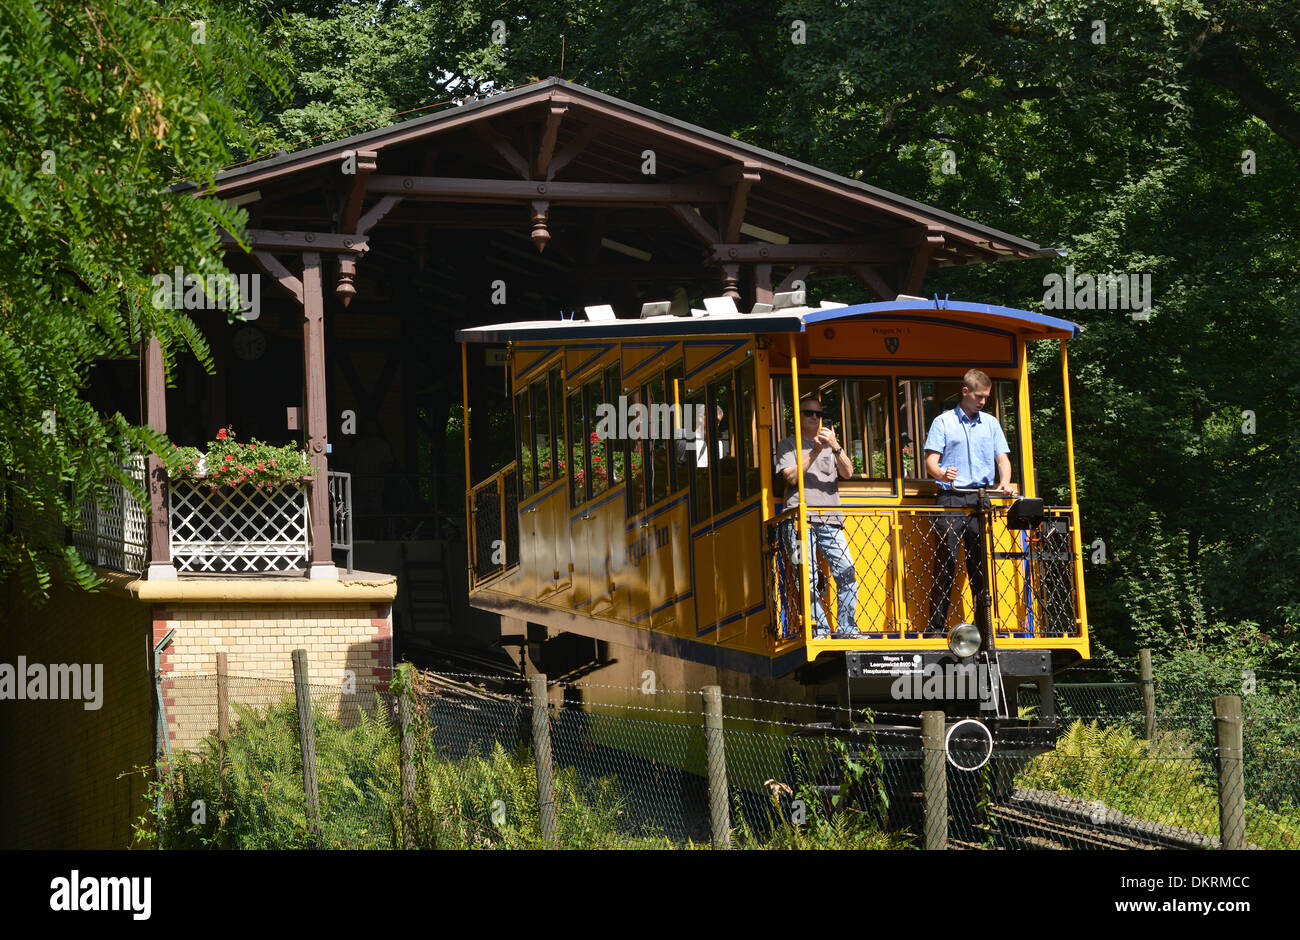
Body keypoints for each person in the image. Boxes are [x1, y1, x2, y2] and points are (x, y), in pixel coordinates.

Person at [922, 369, 1019, 637]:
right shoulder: (943, 422)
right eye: (979, 396)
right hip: (951, 497)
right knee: (946, 562)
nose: (983, 401)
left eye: (986, 397)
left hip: (981, 497)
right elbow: (931, 461)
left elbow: (1003, 459)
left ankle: (985, 626)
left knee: (980, 564)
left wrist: (1005, 481)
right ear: (965, 392)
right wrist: (941, 473)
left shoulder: (990, 423)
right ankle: (936, 627)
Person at [774, 394, 859, 639]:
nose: (814, 417)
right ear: (798, 418)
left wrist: (835, 446)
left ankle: (847, 629)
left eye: (818, 414)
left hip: (831, 519)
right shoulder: (788, 444)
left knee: (847, 571)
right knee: (807, 576)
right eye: (809, 413)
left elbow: (848, 473)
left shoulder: (831, 445)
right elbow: (791, 477)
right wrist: (814, 452)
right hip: (799, 521)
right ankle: (819, 629)